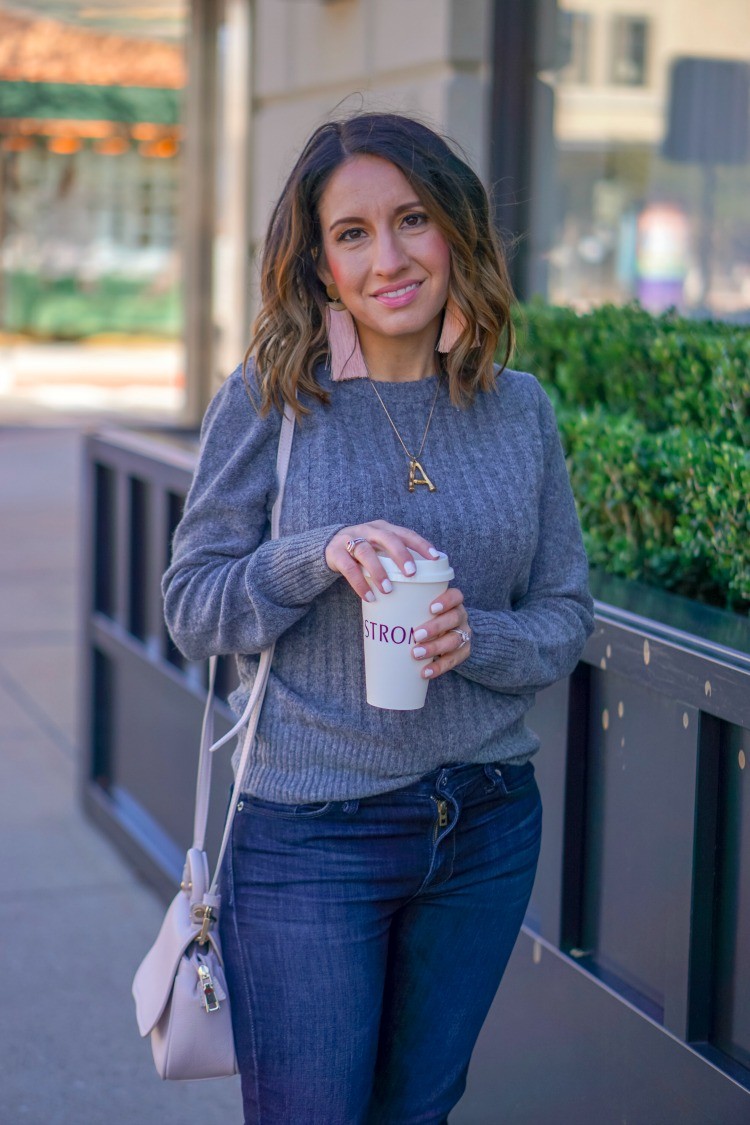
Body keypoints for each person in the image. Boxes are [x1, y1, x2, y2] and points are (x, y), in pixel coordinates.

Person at [162, 112, 594, 1125]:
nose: (389, 257)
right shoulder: (273, 400)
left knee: (417, 1115)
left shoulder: (518, 408)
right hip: (313, 833)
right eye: (353, 233)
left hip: (485, 824)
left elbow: (567, 612)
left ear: (456, 231)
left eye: (412, 220)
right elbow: (191, 606)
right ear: (318, 263)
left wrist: (475, 637)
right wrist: (317, 555)